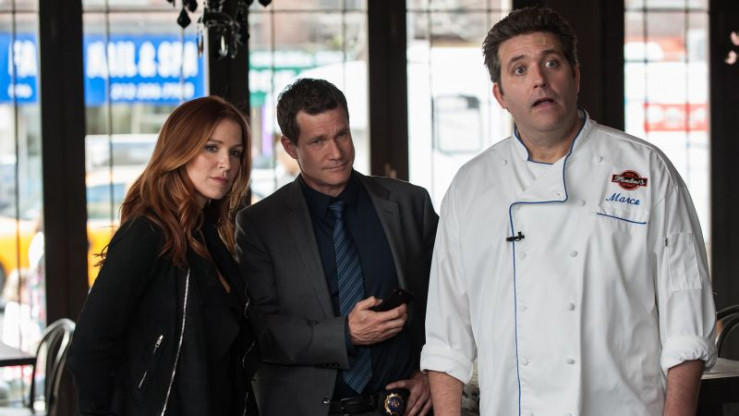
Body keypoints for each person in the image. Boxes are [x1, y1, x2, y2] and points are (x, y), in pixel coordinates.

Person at [421, 7, 716, 416]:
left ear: (575, 76)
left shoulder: (647, 169)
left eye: (551, 63)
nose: (539, 79)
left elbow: (686, 319)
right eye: (519, 69)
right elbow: (446, 338)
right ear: (500, 95)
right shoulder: (469, 187)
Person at [235, 78, 438, 416]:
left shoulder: (409, 204)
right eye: (318, 141)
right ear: (290, 147)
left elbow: (451, 298)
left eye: (342, 134)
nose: (337, 153)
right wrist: (345, 334)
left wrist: (433, 372)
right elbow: (263, 331)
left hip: (404, 407)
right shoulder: (260, 224)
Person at [67, 96, 259, 416]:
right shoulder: (147, 233)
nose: (226, 163)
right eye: (211, 148)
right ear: (180, 149)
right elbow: (89, 347)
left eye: (235, 152)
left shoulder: (208, 235)